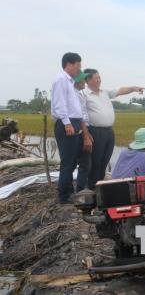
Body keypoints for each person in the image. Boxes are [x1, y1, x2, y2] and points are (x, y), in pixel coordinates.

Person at [83, 69, 145, 189]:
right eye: (96, 78)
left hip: (109, 132)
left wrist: (134, 88)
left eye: (99, 77)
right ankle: (91, 187)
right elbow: (81, 115)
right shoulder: (84, 95)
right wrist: (85, 134)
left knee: (104, 161)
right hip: (95, 132)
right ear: (88, 80)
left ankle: (99, 187)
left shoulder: (104, 92)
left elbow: (120, 91)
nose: (99, 80)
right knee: (95, 162)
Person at [51, 53, 92, 204]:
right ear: (69, 64)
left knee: (73, 161)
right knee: (68, 162)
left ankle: (69, 192)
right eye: (78, 65)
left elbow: (74, 107)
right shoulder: (61, 79)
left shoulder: (70, 82)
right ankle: (64, 196)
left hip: (74, 122)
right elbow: (59, 103)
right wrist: (67, 123)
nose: (79, 69)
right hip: (66, 123)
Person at [73, 71, 92, 192]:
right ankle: (80, 189)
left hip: (84, 129)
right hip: (81, 129)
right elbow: (80, 117)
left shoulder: (79, 94)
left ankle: (81, 187)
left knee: (85, 162)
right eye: (83, 80)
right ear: (78, 81)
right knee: (83, 162)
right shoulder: (74, 95)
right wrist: (86, 135)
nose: (85, 82)